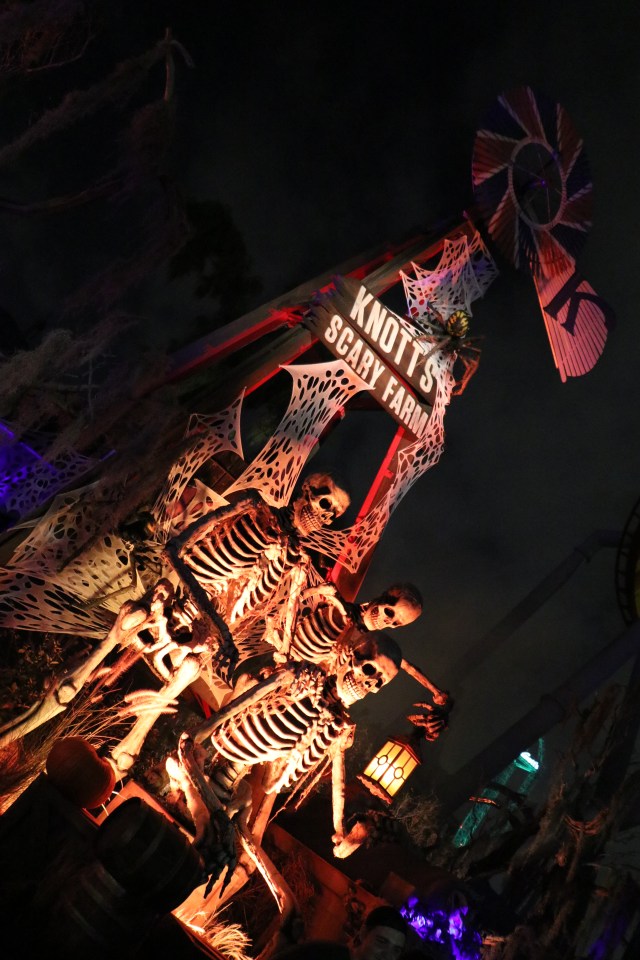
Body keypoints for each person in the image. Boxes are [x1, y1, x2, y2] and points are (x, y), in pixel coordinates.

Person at [274, 905, 407, 960]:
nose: (387, 955)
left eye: (396, 950)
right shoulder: (320, 954)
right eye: (382, 942)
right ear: (363, 933)